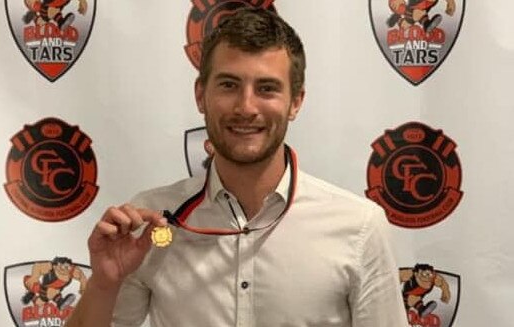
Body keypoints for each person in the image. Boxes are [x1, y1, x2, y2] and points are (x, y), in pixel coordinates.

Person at [66, 7, 407, 327]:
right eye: (229, 85)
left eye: (267, 88)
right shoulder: (152, 220)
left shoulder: (360, 227)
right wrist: (104, 284)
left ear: (296, 102)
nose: (246, 107)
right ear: (201, 95)